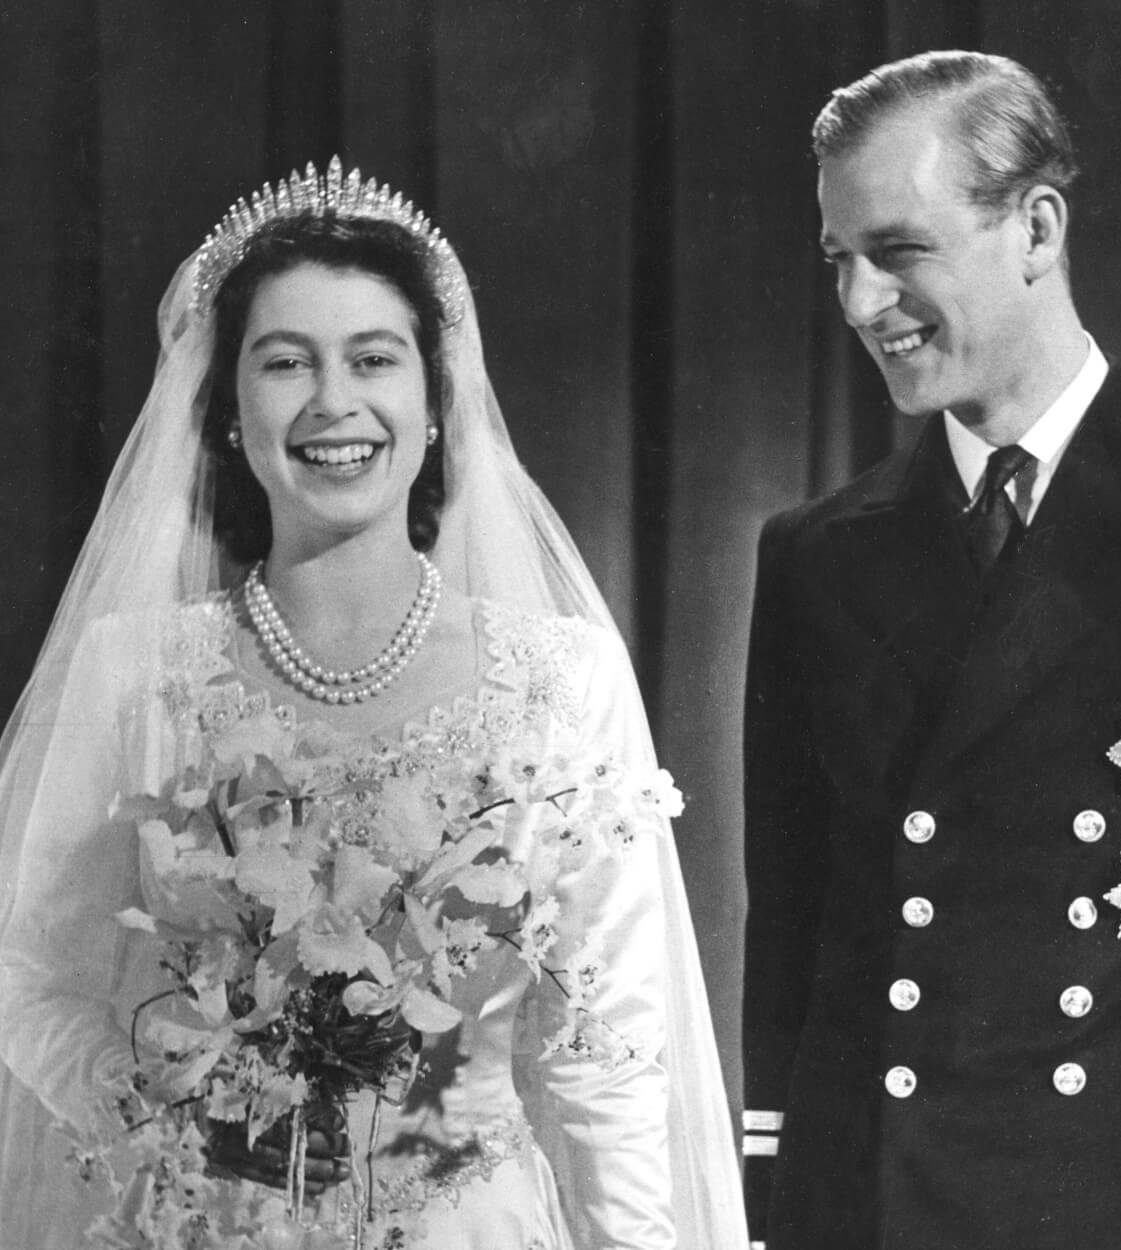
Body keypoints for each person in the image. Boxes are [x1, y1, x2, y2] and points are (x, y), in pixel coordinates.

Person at [0, 159, 747, 1249]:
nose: (332, 403)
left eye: (373, 358)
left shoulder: (559, 678)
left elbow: (608, 1055)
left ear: (436, 402)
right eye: (285, 362)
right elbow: (29, 977)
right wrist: (165, 1098)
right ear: (226, 411)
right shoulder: (136, 673)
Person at [742, 50, 1121, 1250]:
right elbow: (796, 942)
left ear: (1033, 227)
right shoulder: (816, 555)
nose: (863, 304)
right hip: (881, 1206)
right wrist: (777, 1202)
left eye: (899, 251)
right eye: (838, 263)